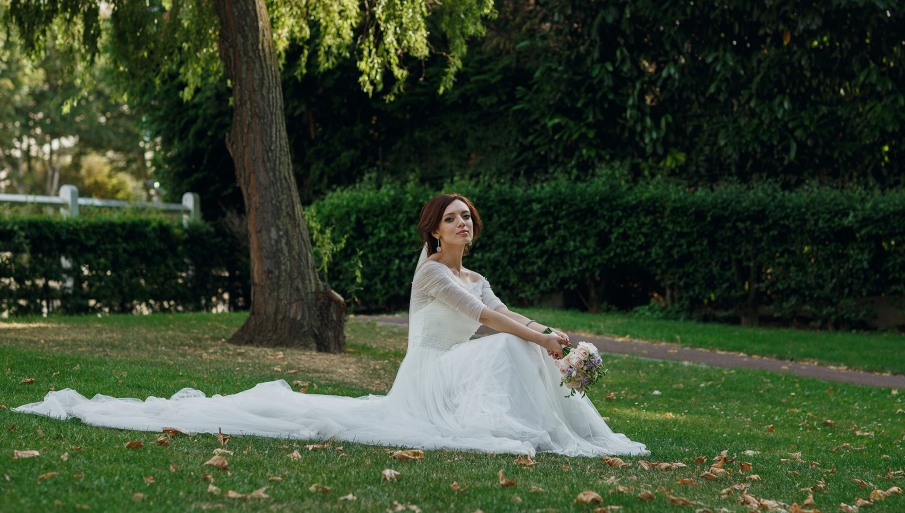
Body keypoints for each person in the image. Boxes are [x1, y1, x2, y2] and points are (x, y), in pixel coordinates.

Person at [15, 194, 648, 457]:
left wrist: (553, 337)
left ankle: (557, 426)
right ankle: (526, 427)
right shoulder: (433, 274)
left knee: (524, 345)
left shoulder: (474, 273)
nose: (464, 224)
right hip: (426, 376)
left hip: (453, 368)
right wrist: (532, 337)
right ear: (435, 230)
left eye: (468, 218)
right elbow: (484, 319)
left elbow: (504, 310)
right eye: (453, 218)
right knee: (511, 347)